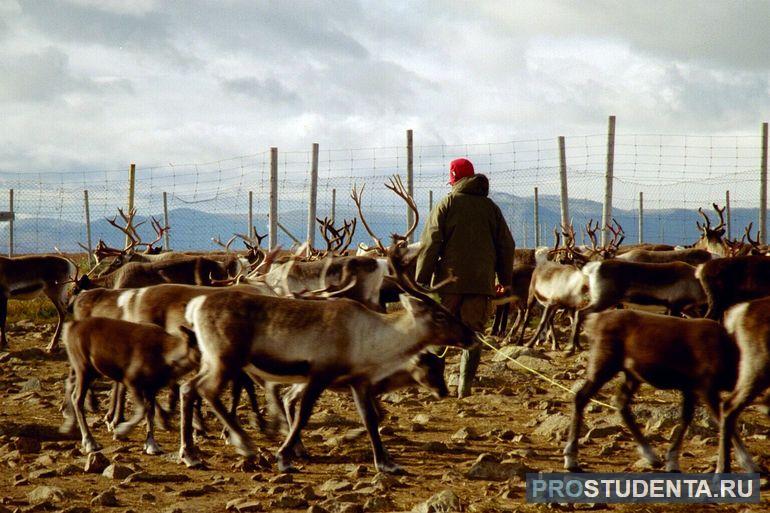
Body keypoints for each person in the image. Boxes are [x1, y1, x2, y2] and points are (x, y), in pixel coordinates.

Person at [415, 157, 515, 398]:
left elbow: (431, 243)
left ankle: (435, 386)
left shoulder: (446, 204)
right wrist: (504, 279)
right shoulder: (491, 208)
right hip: (481, 284)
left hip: (448, 284)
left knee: (439, 331)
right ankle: (464, 388)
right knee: (473, 334)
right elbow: (506, 245)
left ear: (454, 179)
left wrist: (421, 281)